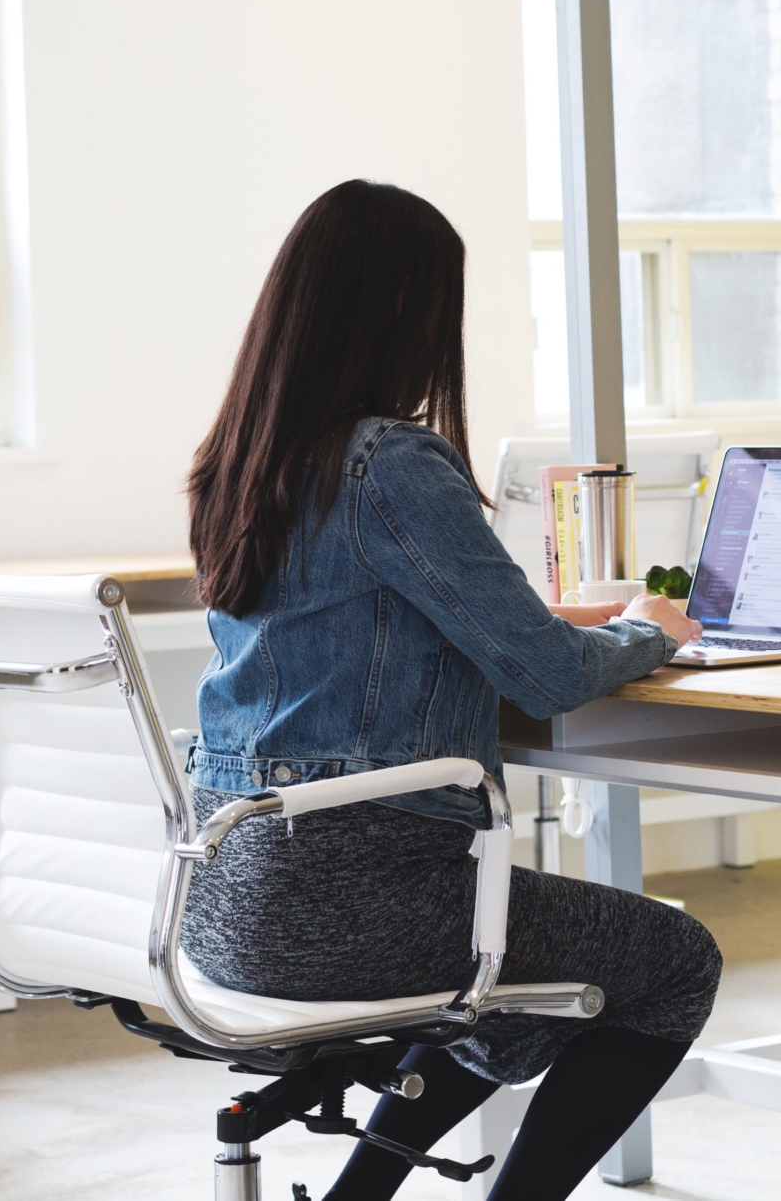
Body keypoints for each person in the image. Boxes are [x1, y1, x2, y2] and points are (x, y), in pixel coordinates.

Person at [182, 179, 721, 1200]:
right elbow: (549, 675)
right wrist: (651, 628)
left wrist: (564, 625)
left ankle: (359, 1194)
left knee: (538, 970)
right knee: (672, 958)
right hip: (359, 893)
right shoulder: (392, 462)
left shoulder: (240, 461)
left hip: (225, 896)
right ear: (401, 313)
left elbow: (370, 626)